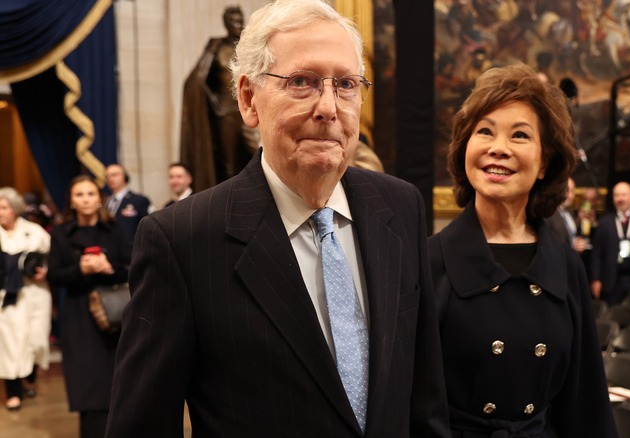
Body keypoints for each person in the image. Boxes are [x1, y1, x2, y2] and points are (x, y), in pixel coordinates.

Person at [107, 1, 449, 436]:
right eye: (302, 82)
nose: (329, 107)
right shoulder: (182, 240)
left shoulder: (400, 207)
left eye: (345, 84)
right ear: (249, 100)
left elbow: (425, 399)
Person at [428, 63, 617, 437]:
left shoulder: (565, 265)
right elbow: (412, 402)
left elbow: (585, 400)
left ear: (544, 162)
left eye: (519, 135)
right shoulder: (429, 260)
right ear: (466, 148)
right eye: (485, 131)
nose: (498, 149)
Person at [47, 176, 131, 438]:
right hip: (80, 315)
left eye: (91, 194)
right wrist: (80, 269)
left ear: (99, 199)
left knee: (117, 382)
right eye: (80, 195)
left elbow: (131, 268)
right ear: (71, 201)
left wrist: (109, 269)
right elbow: (55, 275)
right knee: (89, 384)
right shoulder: (61, 233)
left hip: (115, 314)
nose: (86, 199)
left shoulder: (114, 229)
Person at [180, 5, 260, 191]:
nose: (238, 24)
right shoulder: (217, 48)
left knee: (256, 150)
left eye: (240, 20)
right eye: (233, 21)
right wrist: (214, 103)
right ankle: (230, 196)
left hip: (251, 107)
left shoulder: (251, 47)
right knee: (228, 162)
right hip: (227, 112)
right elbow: (198, 80)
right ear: (226, 24)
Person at [0, 187, 51, 411]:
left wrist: (45, 271)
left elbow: (53, 255)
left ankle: (30, 377)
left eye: (3, 207)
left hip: (35, 292)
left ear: (14, 209)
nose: (0, 212)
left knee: (36, 340)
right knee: (10, 344)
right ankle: (13, 392)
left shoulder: (34, 231)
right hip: (7, 297)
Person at [104, 163, 152, 244]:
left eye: (114, 175)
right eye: (107, 176)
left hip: (131, 248)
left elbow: (148, 228)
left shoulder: (139, 200)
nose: (110, 179)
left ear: (124, 176)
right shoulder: (104, 202)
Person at [547, 177, 588, 254]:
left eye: (573, 192)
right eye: (567, 191)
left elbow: (569, 234)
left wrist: (577, 243)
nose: (570, 196)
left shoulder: (569, 212)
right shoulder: (549, 213)